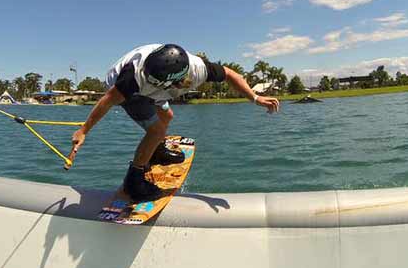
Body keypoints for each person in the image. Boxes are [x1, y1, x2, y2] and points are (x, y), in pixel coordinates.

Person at [71, 44, 280, 201]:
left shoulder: (199, 69)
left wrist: (255, 98)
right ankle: (134, 181)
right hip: (130, 92)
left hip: (157, 92)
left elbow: (230, 74)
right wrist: (84, 130)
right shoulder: (133, 78)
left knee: (167, 117)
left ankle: (157, 151)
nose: (148, 77)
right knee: (155, 130)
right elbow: (107, 102)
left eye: (153, 79)